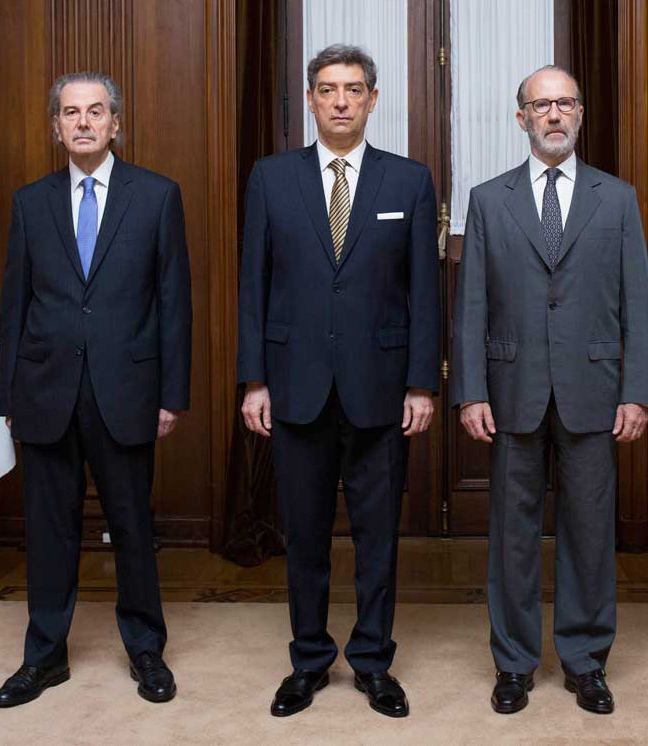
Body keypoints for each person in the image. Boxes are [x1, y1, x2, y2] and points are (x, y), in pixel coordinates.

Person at [238, 44, 440, 718]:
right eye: (329, 89)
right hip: (294, 385)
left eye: (354, 89)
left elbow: (424, 292)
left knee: (377, 536)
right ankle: (309, 660)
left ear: (373, 100)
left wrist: (421, 384)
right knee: (306, 534)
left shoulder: (408, 180)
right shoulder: (271, 178)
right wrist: (253, 381)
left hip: (382, 388)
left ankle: (374, 663)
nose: (342, 100)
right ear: (310, 98)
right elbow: (253, 290)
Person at [452, 65, 648, 715]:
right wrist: (471, 391)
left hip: (595, 390)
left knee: (589, 532)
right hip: (510, 388)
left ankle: (585, 660)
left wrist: (638, 391)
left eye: (566, 102)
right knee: (512, 537)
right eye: (541, 105)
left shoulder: (617, 197)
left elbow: (639, 304)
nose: (554, 115)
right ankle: (513, 664)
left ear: (580, 114)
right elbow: (473, 304)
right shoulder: (488, 200)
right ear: (521, 118)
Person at [0, 72, 192, 707]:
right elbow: (14, 304)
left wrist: (172, 392)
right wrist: (5, 400)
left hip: (127, 388)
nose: (83, 122)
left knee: (132, 526)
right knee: (48, 530)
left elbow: (173, 303)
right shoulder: (30, 203)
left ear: (116, 123)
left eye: (96, 111)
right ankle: (44, 657)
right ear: (56, 126)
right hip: (44, 390)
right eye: (71, 113)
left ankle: (145, 650)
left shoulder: (158, 196)